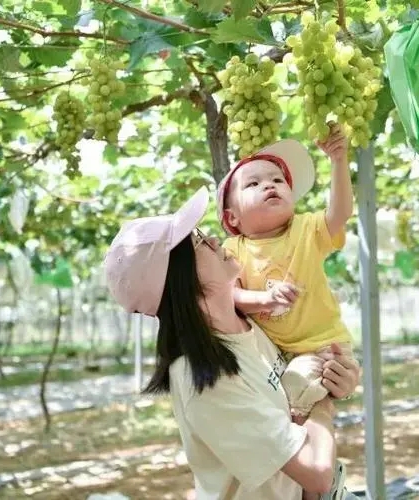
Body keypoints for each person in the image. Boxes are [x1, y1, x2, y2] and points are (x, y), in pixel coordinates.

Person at [103, 187, 360, 500]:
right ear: (181, 279)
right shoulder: (205, 378)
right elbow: (316, 472)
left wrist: (335, 380)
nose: (212, 240)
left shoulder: (251, 326)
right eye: (198, 241)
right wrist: (321, 400)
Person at [216, 123, 355, 423]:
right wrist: (264, 299)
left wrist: (339, 160)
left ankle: (303, 439)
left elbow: (341, 212)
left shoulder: (306, 228)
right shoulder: (233, 248)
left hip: (322, 347)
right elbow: (231, 294)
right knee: (284, 391)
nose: (269, 185)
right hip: (275, 356)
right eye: (253, 184)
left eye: (278, 180)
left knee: (295, 389)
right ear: (232, 217)